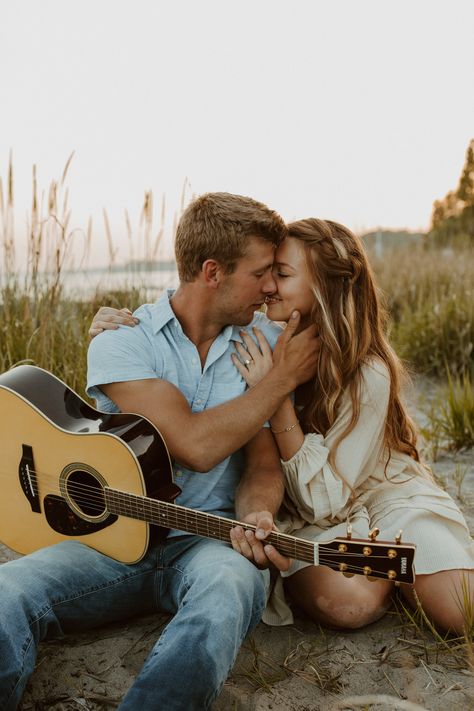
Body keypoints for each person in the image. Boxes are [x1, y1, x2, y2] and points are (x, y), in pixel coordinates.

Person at [0, 193, 318, 711]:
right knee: (5, 593)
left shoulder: (264, 340)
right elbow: (193, 445)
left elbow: (262, 461)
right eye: (261, 272)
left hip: (211, 542)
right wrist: (280, 379)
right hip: (105, 538)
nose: (269, 287)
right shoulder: (124, 340)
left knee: (228, 593)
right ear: (212, 271)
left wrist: (257, 511)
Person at [94, 217, 474, 635]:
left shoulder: (367, 373)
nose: (268, 286)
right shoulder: (260, 334)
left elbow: (326, 498)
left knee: (461, 611)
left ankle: (406, 571)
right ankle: (389, 575)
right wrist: (116, 326)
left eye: (282, 273)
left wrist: (275, 397)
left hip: (382, 493)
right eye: (267, 272)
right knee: (349, 605)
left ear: (324, 288)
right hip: (302, 508)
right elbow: (193, 313)